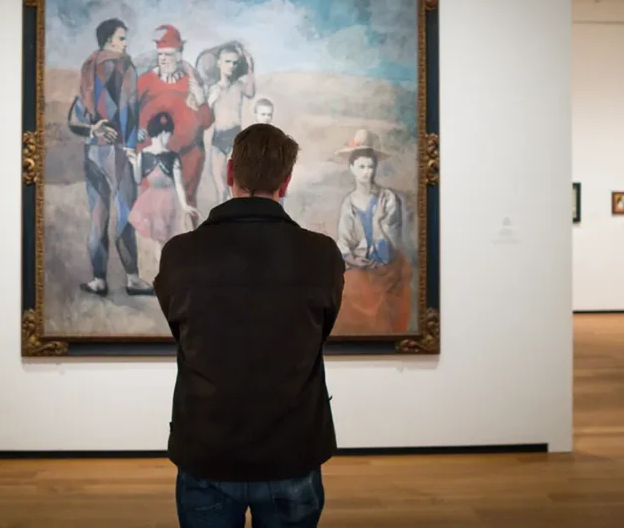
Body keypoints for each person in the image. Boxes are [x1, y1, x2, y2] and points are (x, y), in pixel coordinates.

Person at [154, 123, 345, 528]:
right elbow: (320, 331)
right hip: (291, 448)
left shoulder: (180, 253)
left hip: (207, 446)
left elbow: (180, 330)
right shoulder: (321, 254)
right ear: (285, 182)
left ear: (229, 172)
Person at [67, 17, 153, 297]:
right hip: (118, 151)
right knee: (125, 213)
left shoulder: (88, 66)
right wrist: (131, 145)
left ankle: (99, 280)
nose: (126, 44)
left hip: (93, 150)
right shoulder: (124, 65)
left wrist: (92, 129)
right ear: (109, 40)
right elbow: (129, 106)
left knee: (98, 216)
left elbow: (75, 116)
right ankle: (132, 279)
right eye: (122, 38)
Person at [333, 129, 412, 335]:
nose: (366, 172)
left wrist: (377, 228)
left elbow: (392, 239)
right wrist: (354, 259)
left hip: (387, 266)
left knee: (383, 303)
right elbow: (344, 240)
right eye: (361, 167)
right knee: (349, 291)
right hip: (358, 265)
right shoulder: (349, 203)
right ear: (352, 168)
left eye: (370, 166)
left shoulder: (388, 198)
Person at [137, 25, 214, 220]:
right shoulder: (145, 81)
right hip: (155, 157)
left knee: (186, 208)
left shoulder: (192, 82)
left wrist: (201, 100)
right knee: (155, 209)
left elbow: (207, 121)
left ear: (179, 55)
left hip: (188, 156)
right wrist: (136, 131)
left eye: (168, 54)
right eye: (160, 54)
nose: (163, 59)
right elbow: (130, 114)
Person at [126, 111, 200, 259]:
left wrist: (184, 205)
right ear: (162, 133)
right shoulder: (143, 154)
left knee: (171, 240)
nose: (169, 138)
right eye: (168, 134)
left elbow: (178, 184)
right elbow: (137, 179)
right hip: (153, 202)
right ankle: (163, 268)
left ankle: (171, 267)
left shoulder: (172, 156)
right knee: (160, 242)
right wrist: (134, 164)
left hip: (170, 201)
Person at [204, 42, 256, 204]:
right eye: (227, 62)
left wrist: (250, 69)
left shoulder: (239, 86)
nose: (231, 66)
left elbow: (251, 92)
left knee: (235, 186)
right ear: (219, 63)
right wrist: (209, 103)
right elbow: (204, 120)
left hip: (235, 137)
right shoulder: (213, 89)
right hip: (217, 139)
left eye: (235, 63)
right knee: (221, 190)